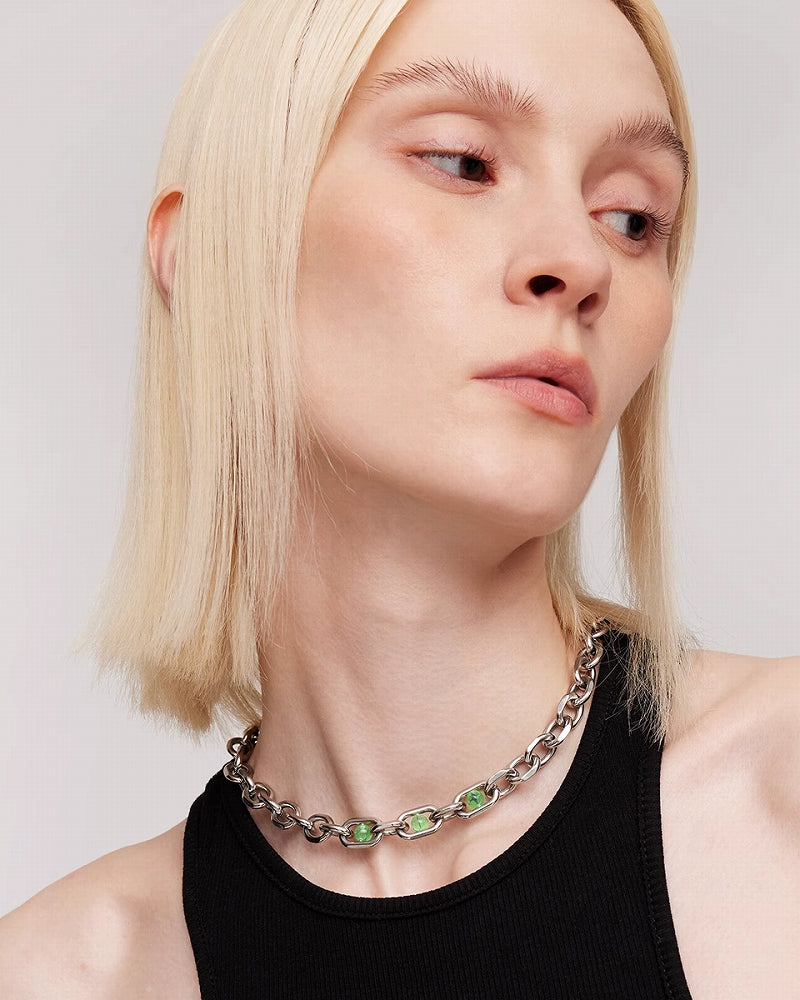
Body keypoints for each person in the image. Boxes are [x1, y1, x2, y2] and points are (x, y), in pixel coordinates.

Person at [1, 0, 796, 996]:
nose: (581, 261)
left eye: (632, 217)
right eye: (462, 162)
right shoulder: (63, 972)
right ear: (202, 252)